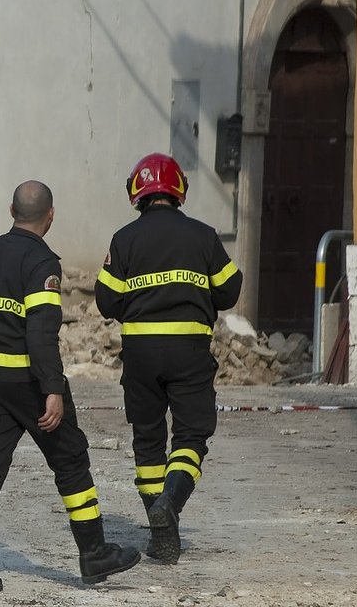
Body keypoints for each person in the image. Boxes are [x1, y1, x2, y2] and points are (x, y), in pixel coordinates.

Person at [0, 180, 141, 592]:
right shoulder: (43, 264)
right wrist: (51, 389)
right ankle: (93, 553)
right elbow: (40, 333)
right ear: (50, 215)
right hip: (30, 384)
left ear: (11, 210)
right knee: (70, 461)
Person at [94, 153, 242, 564]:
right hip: (189, 353)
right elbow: (230, 290)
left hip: (140, 354)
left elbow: (106, 300)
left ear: (137, 194)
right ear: (179, 190)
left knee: (148, 440)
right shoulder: (203, 235)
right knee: (192, 435)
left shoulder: (124, 239)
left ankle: (162, 532)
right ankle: (171, 506)